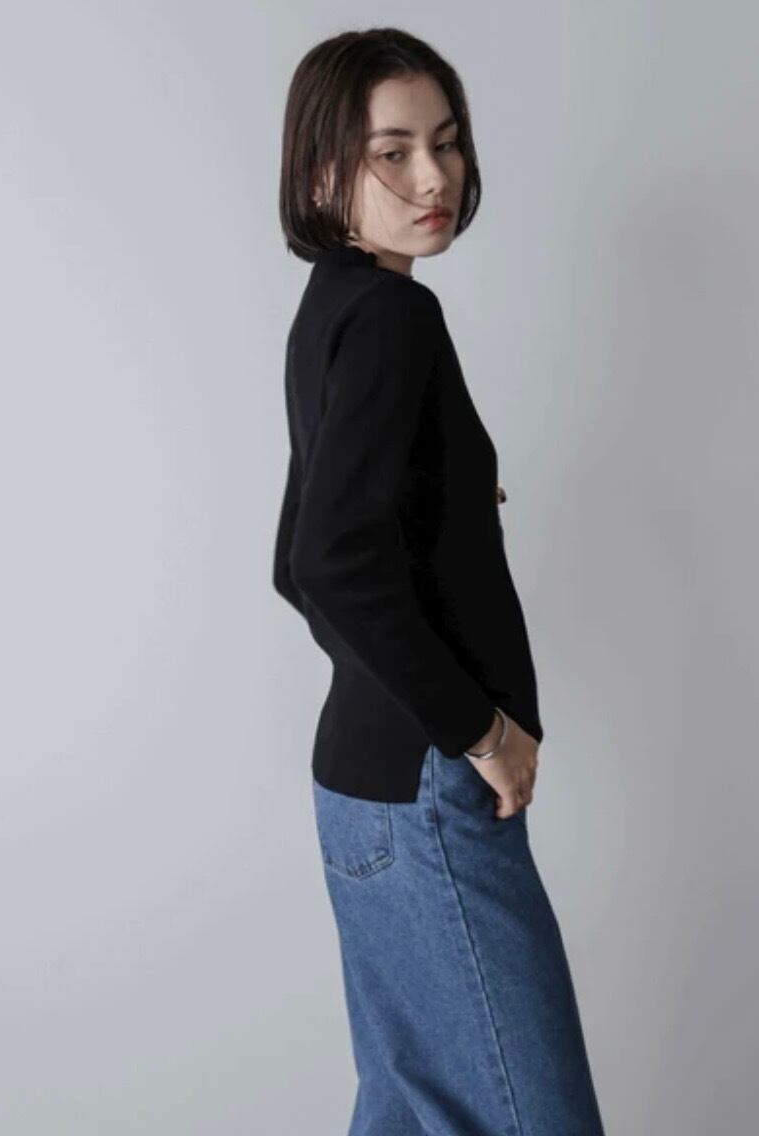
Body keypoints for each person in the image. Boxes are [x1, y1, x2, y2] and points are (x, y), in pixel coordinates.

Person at [273, 26, 606, 1136]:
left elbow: (297, 559)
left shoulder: (332, 307)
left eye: (448, 143)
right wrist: (479, 731)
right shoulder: (392, 317)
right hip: (424, 795)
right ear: (323, 173)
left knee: (411, 1111)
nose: (433, 177)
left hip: (361, 788)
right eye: (393, 152)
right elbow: (324, 562)